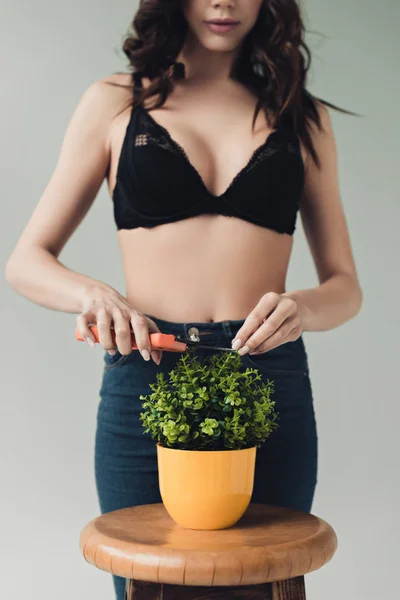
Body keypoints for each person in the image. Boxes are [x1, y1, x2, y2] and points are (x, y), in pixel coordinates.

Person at [6, 0, 362, 598]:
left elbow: (345, 287)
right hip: (147, 372)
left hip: (265, 375)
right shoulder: (116, 103)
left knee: (266, 585)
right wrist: (93, 294)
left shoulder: (303, 118)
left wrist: (300, 307)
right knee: (149, 587)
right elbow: (25, 261)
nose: (222, 2)